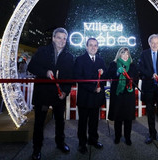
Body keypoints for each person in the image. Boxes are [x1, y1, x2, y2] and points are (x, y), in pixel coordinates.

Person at [27, 27, 74, 160]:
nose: (62, 41)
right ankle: (37, 149)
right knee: (39, 123)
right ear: (53, 38)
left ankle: (60, 143)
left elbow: (70, 77)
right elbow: (31, 67)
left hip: (59, 95)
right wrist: (45, 72)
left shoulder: (69, 56)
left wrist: (65, 91)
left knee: (60, 121)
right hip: (43, 93)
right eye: (59, 37)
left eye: (64, 38)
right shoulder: (42, 51)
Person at [74, 38, 106, 154]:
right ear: (86, 47)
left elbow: (105, 76)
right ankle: (82, 144)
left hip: (96, 98)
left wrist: (102, 77)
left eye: (95, 45)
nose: (93, 47)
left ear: (97, 47)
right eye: (91, 45)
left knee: (94, 121)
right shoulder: (80, 60)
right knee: (82, 122)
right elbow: (78, 78)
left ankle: (93, 140)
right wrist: (93, 88)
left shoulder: (101, 60)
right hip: (85, 97)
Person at [107, 47, 139, 145]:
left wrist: (132, 85)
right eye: (123, 53)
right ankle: (117, 136)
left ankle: (127, 137)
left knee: (128, 118)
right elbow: (109, 75)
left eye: (127, 54)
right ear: (119, 55)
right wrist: (117, 72)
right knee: (118, 117)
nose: (125, 56)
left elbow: (136, 79)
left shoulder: (133, 65)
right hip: (118, 94)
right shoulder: (113, 64)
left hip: (129, 95)